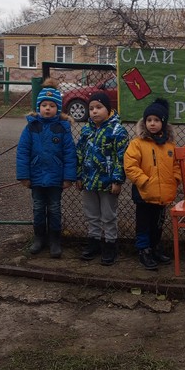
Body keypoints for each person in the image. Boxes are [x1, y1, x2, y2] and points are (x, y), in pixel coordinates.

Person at [16, 78, 77, 258]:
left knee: (54, 209)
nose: (47, 109)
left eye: (51, 105)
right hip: (36, 177)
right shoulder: (31, 127)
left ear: (58, 108)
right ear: (38, 107)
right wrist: (24, 176)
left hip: (55, 178)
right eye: (44, 105)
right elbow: (22, 152)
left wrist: (68, 177)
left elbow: (69, 154)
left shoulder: (62, 128)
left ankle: (55, 240)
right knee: (38, 208)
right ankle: (39, 238)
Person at [123, 97, 181, 270]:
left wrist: (175, 180)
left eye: (156, 120)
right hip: (144, 193)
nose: (152, 123)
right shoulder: (137, 144)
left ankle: (155, 247)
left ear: (163, 122)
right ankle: (144, 250)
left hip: (163, 194)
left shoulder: (170, 146)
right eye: (149, 120)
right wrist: (143, 181)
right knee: (143, 224)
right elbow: (130, 165)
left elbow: (177, 166)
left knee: (158, 224)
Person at [75, 91, 129, 266]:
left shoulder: (117, 131)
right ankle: (94, 241)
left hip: (108, 183)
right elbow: (79, 153)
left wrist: (117, 180)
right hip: (89, 180)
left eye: (99, 107)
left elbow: (122, 158)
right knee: (92, 213)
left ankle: (110, 244)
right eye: (91, 108)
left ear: (109, 109)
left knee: (108, 215)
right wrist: (79, 176)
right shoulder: (86, 130)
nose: (94, 111)